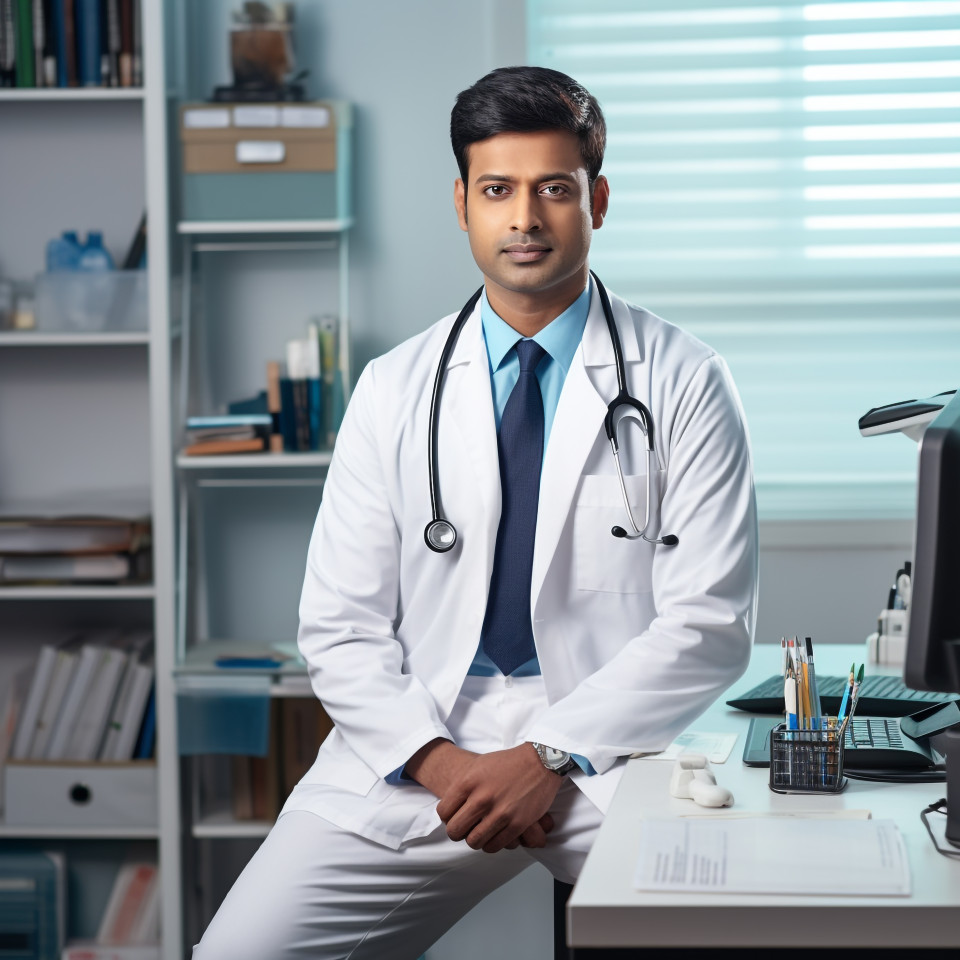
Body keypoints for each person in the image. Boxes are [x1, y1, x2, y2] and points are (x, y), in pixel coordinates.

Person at [195, 65, 758, 960]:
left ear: (598, 200)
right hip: (417, 746)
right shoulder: (394, 389)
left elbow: (710, 623)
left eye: (554, 190)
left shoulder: (685, 379)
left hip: (605, 751)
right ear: (462, 203)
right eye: (498, 190)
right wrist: (449, 764)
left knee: (726, 931)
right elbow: (338, 629)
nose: (525, 218)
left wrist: (544, 756)